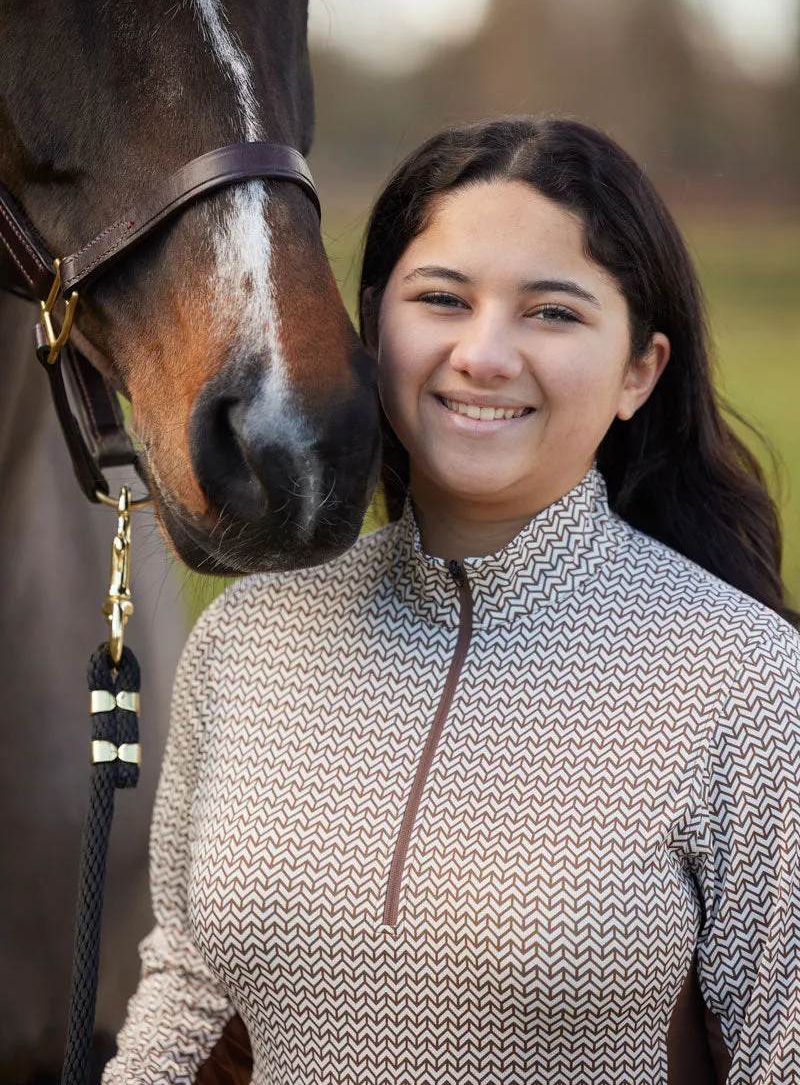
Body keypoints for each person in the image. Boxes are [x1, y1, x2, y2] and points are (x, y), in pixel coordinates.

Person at [104, 116, 800, 1085]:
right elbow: (184, 989)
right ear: (371, 321)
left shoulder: (741, 674)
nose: (482, 354)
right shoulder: (245, 637)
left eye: (550, 313)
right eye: (440, 298)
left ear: (637, 371)